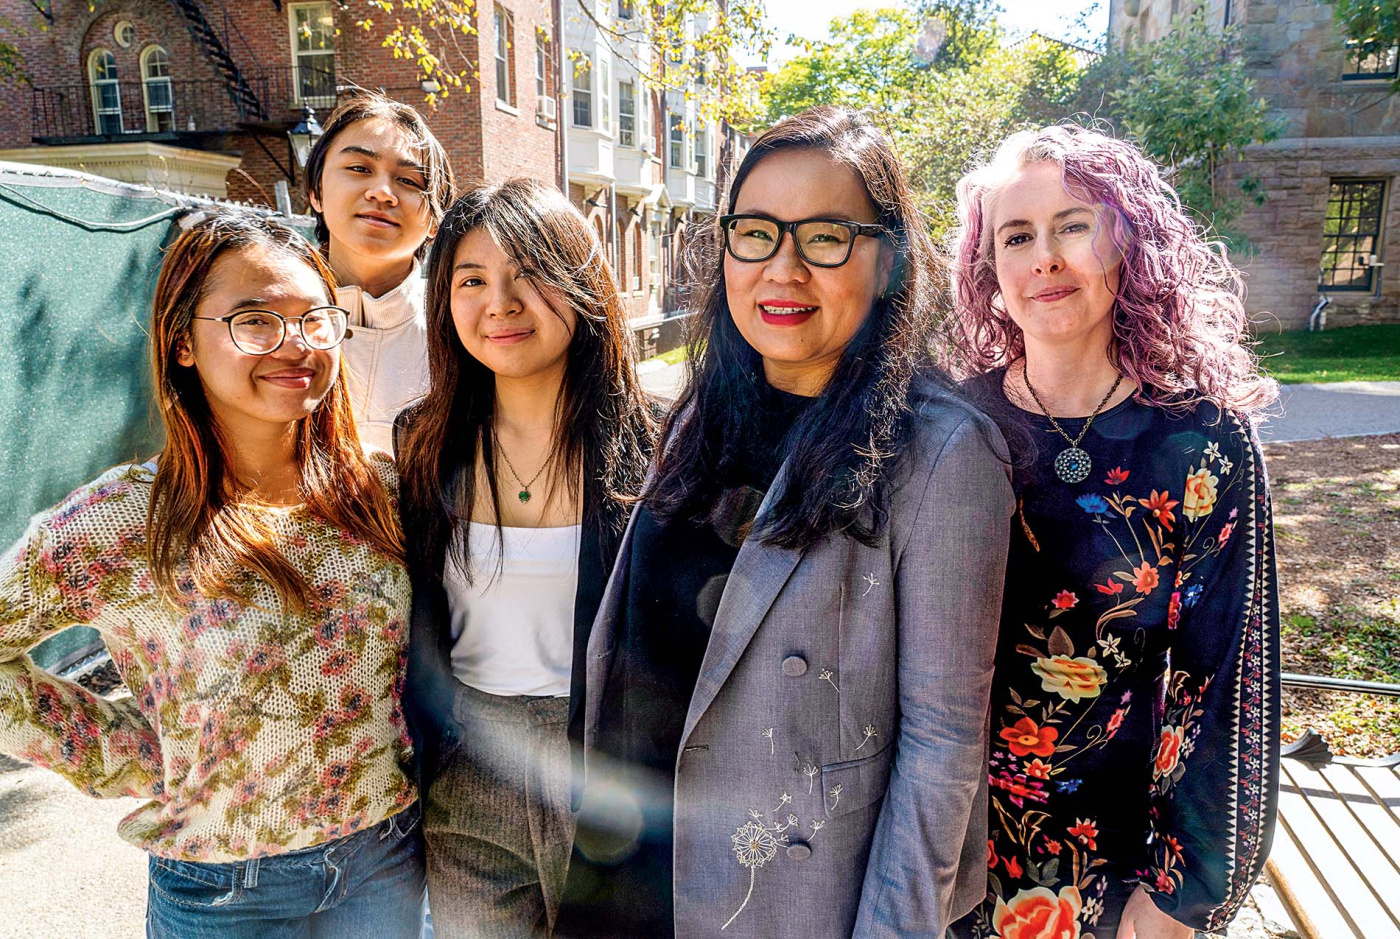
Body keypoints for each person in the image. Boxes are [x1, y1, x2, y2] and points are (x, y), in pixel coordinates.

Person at [554, 106, 1014, 938]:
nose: (783, 269)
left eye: (827, 237)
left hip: (774, 899)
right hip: (624, 871)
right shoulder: (700, 412)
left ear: (889, 257)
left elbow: (943, 747)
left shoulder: (941, 453)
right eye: (756, 232)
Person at [0, 212, 425, 937]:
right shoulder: (120, 521)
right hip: (225, 890)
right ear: (182, 342)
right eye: (255, 320)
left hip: (386, 861)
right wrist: (116, 751)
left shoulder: (380, 493)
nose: (296, 345)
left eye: (314, 318)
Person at [948, 124, 1280, 939]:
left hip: (1115, 877)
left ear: (1128, 239)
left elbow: (1225, 682)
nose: (1044, 258)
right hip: (941, 861)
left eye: (1074, 224)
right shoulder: (944, 428)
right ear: (990, 269)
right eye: (1016, 236)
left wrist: (1181, 892)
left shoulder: (1200, 441)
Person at [394, 179, 658, 938]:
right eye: (471, 280)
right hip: (471, 766)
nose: (499, 302)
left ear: (581, 286)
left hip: (610, 766)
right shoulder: (423, 441)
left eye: (529, 273)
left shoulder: (660, 450)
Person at [305, 90, 457, 453]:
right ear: (316, 190)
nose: (382, 193)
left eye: (409, 181)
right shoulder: (261, 316)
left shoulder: (462, 328)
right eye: (359, 169)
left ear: (436, 219)